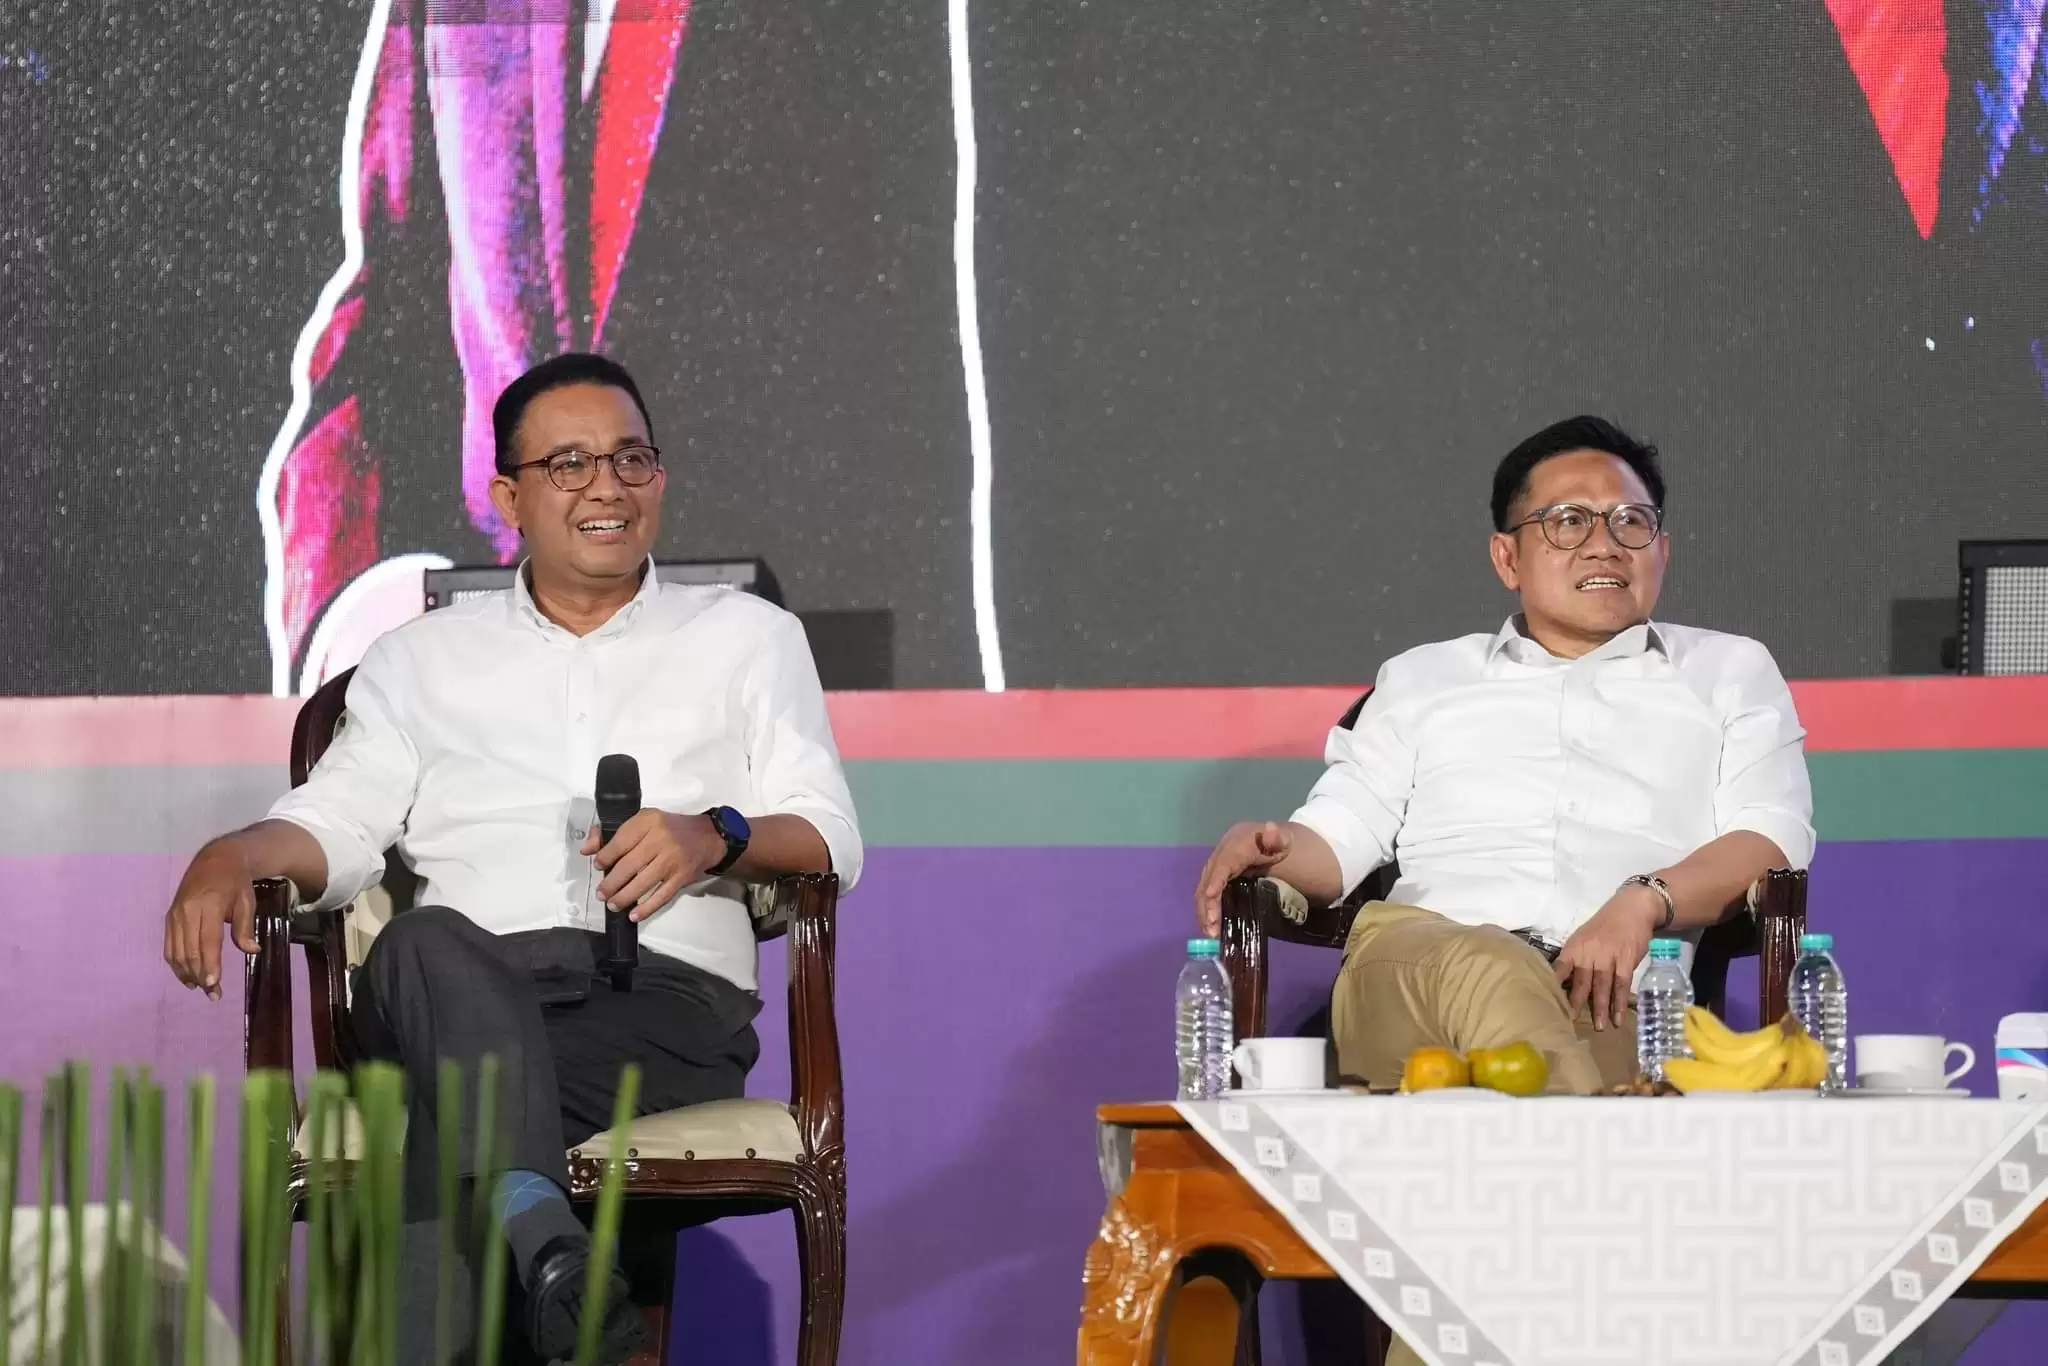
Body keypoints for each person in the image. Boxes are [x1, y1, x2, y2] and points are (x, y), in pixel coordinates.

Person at [168, 352, 862, 1362]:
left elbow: (829, 836)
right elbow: (337, 825)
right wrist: (231, 852)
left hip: (659, 1016)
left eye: (631, 459)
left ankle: (540, 1239)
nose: (607, 487)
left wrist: (714, 832)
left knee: (446, 1116)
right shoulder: (421, 660)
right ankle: (553, 1252)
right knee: (424, 943)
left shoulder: (747, 639)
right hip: (456, 992)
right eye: (570, 463)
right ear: (508, 497)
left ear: (659, 478)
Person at [1195, 414, 1815, 1095]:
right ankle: (1582, 1142)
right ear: (1507, 558)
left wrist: (1644, 900)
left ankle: (1567, 1141)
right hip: (1418, 972)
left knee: (1595, 1069)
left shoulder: (1729, 671)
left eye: (1630, 521)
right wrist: (1276, 848)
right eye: (1569, 521)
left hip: (1606, 1000)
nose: (1605, 546)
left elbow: (1771, 839)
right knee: (1493, 968)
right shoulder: (1424, 678)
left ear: (1662, 550)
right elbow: (1341, 838)